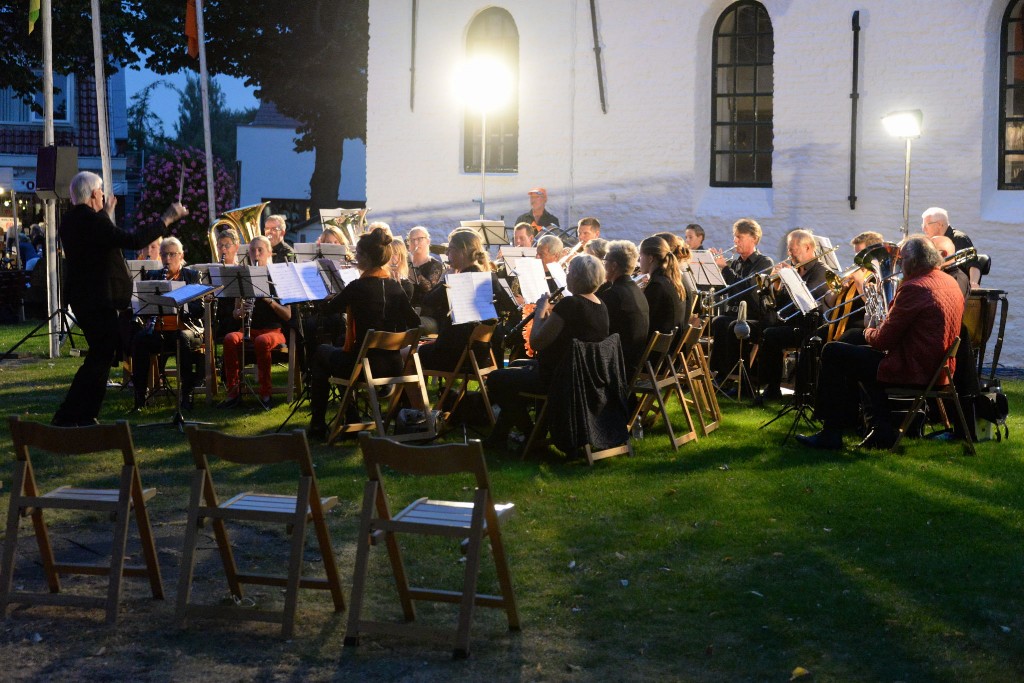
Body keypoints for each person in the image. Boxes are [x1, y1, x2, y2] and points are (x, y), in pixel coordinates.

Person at [796, 235, 964, 450]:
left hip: (913, 369)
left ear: (912, 262)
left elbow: (883, 341)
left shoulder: (916, 287)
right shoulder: (947, 281)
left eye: (901, 260)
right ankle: (880, 429)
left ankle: (832, 432)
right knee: (855, 352)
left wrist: (869, 330)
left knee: (833, 351)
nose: (900, 266)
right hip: (939, 368)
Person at [52, 171, 188, 427]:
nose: (103, 195)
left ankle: (83, 414)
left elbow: (101, 237)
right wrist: (167, 218)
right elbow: (132, 240)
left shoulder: (73, 220)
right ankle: (72, 413)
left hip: (84, 298)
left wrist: (105, 213)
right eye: (101, 192)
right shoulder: (92, 222)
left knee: (102, 354)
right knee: (100, 355)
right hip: (97, 299)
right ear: (94, 194)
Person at [306, 228, 421, 440]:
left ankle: (318, 424)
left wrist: (324, 297)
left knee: (323, 353)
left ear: (367, 258)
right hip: (394, 364)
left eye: (358, 254)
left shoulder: (357, 287)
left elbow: (327, 310)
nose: (355, 257)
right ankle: (350, 418)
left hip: (364, 367)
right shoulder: (396, 287)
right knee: (341, 354)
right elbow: (415, 322)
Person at [486, 254, 609, 447]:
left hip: (560, 379)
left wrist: (541, 310)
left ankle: (532, 434)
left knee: (496, 379)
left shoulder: (570, 304)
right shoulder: (599, 304)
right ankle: (500, 437)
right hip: (584, 376)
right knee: (516, 364)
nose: (567, 276)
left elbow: (536, 342)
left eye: (569, 273)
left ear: (575, 277)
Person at [130, 237, 205, 411]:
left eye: (172, 254)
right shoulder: (154, 276)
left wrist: (179, 304)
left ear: (181, 255)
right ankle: (140, 397)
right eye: (164, 254)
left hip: (186, 329)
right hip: (160, 329)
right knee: (140, 339)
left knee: (182, 340)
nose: (168, 259)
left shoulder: (192, 275)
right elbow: (144, 307)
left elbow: (198, 309)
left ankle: (186, 394)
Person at [755, 229, 830, 401]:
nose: (789, 254)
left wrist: (791, 278)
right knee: (768, 333)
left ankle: (804, 393)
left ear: (808, 248)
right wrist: (776, 286)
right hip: (793, 323)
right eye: (789, 250)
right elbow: (780, 305)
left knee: (802, 341)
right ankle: (771, 388)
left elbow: (807, 300)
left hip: (813, 325)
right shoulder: (797, 268)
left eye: (793, 250)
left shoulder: (821, 271)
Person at [220, 236, 292, 409]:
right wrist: (239, 312)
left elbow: (288, 315)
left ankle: (265, 393)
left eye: (260, 250)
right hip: (249, 329)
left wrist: (269, 300)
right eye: (252, 250)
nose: (256, 254)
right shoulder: (244, 277)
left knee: (261, 341)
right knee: (230, 338)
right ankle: (233, 392)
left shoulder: (278, 278)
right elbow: (236, 313)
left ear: (269, 252)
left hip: (273, 332)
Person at [419, 230, 498, 373]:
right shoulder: (485, 277)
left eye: (451, 249)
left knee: (409, 355)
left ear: (463, 251)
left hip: (455, 356)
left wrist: (446, 278)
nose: (447, 253)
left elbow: (428, 301)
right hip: (479, 354)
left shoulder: (460, 281)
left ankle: (407, 396)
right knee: (423, 348)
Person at [708, 218, 774, 383]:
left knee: (732, 326)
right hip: (736, 313)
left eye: (740, 237)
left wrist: (725, 269)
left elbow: (748, 288)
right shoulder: (736, 263)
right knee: (718, 321)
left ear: (754, 239)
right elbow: (728, 290)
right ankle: (719, 373)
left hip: (755, 315)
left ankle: (737, 377)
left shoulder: (764, 262)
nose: (735, 241)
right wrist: (714, 271)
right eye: (734, 237)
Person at [598, 240, 650, 377]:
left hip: (619, 367)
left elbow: (598, 331)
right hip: (633, 361)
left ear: (614, 266)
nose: (603, 264)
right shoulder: (636, 290)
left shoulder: (613, 294)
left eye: (605, 260)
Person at [638, 236, 687, 340]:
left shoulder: (657, 285)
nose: (638, 260)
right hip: (669, 347)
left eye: (641, 256)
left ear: (650, 258)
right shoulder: (670, 279)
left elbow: (644, 321)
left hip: (656, 349)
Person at [920, 207, 981, 287]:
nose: (924, 229)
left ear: (939, 225)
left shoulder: (959, 238)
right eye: (922, 225)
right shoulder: (931, 242)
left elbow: (973, 264)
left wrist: (973, 283)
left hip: (957, 287)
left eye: (926, 225)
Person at [388, 236, 415, 300]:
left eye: (395, 253)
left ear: (402, 257)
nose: (390, 256)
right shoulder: (378, 277)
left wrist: (397, 288)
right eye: (388, 252)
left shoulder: (407, 286)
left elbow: (401, 308)